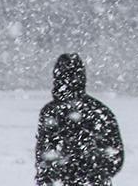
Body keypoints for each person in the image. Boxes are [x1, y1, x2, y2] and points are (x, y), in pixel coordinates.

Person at [35, 52, 124, 186]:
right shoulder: (99, 111)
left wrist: (49, 176)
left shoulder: (51, 112)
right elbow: (115, 155)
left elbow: (44, 153)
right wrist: (96, 173)